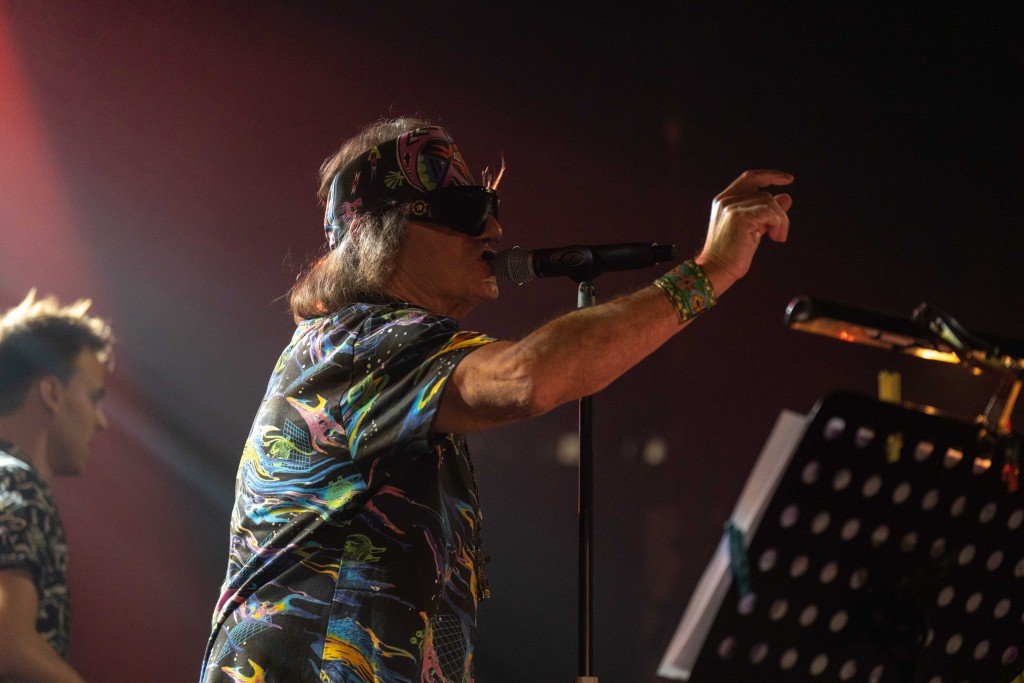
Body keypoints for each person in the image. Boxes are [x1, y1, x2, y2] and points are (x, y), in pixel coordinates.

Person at [200, 119, 792, 682]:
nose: (493, 231)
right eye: (465, 209)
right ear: (384, 233)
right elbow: (528, 377)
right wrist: (709, 271)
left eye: (491, 207)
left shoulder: (391, 361)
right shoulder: (357, 344)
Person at [0, 290, 113, 682]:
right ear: (51, 393)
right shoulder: (17, 482)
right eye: (93, 398)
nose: (101, 421)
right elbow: (7, 647)